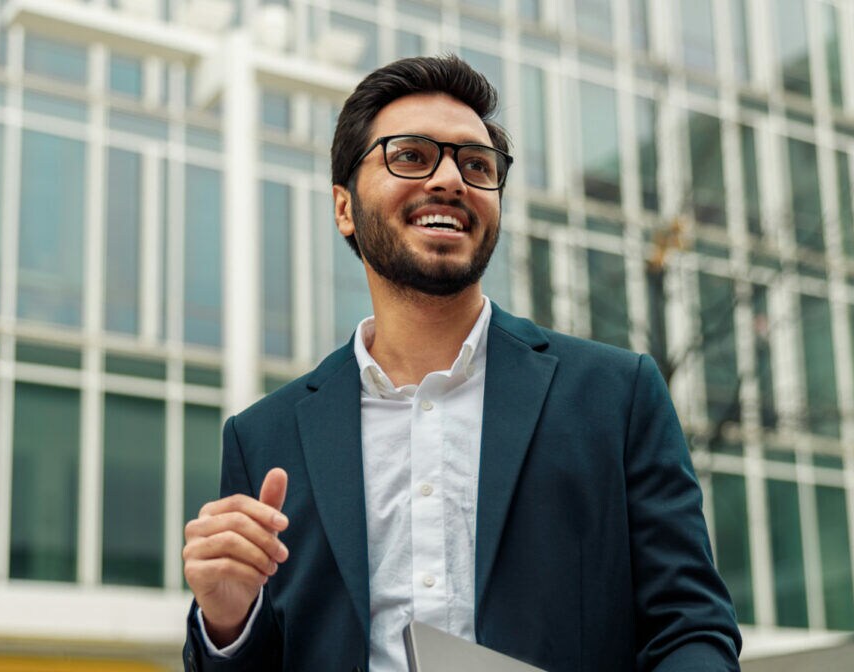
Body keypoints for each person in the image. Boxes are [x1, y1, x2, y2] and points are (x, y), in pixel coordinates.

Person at [181, 55, 742, 672]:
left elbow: (691, 628)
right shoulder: (264, 437)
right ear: (344, 207)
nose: (450, 180)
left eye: (476, 165)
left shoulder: (615, 395)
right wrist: (228, 623)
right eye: (411, 156)